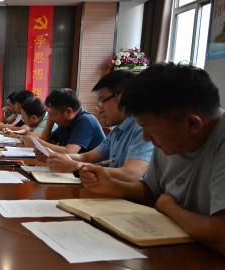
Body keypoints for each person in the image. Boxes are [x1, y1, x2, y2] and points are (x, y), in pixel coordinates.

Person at [79, 63, 225, 255]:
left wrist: (170, 208)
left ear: (191, 123)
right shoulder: (171, 138)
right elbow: (151, 190)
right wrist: (112, 186)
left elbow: (221, 236)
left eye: (147, 127)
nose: (146, 138)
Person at [46, 71, 153, 182]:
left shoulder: (142, 128)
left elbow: (131, 174)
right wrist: (55, 158)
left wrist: (76, 166)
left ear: (122, 97)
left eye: (102, 100)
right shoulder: (117, 129)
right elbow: (86, 157)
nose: (99, 108)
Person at [24, 88, 105, 154]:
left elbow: (70, 152)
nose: (51, 117)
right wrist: (49, 122)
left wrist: (37, 142)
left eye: (53, 114)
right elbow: (47, 141)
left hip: (91, 168)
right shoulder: (65, 122)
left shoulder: (86, 121)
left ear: (68, 112)